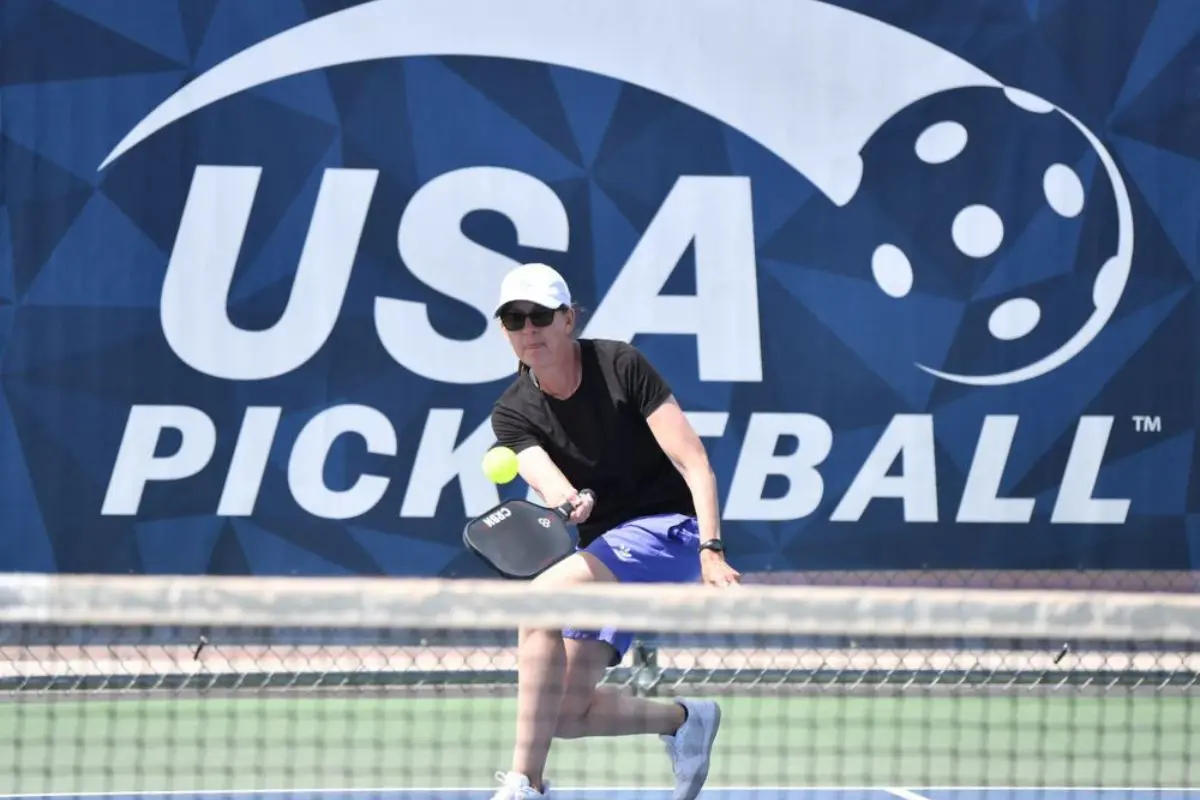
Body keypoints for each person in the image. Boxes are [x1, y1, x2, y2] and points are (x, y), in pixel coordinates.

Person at [486, 262, 741, 800]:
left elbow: (694, 461)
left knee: (535, 606)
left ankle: (524, 785)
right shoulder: (512, 413)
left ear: (568, 319)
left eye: (539, 316)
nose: (527, 330)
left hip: (669, 531)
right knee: (562, 712)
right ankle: (683, 720)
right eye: (514, 319)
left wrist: (711, 549)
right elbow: (547, 480)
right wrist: (568, 502)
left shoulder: (620, 364)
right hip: (603, 554)